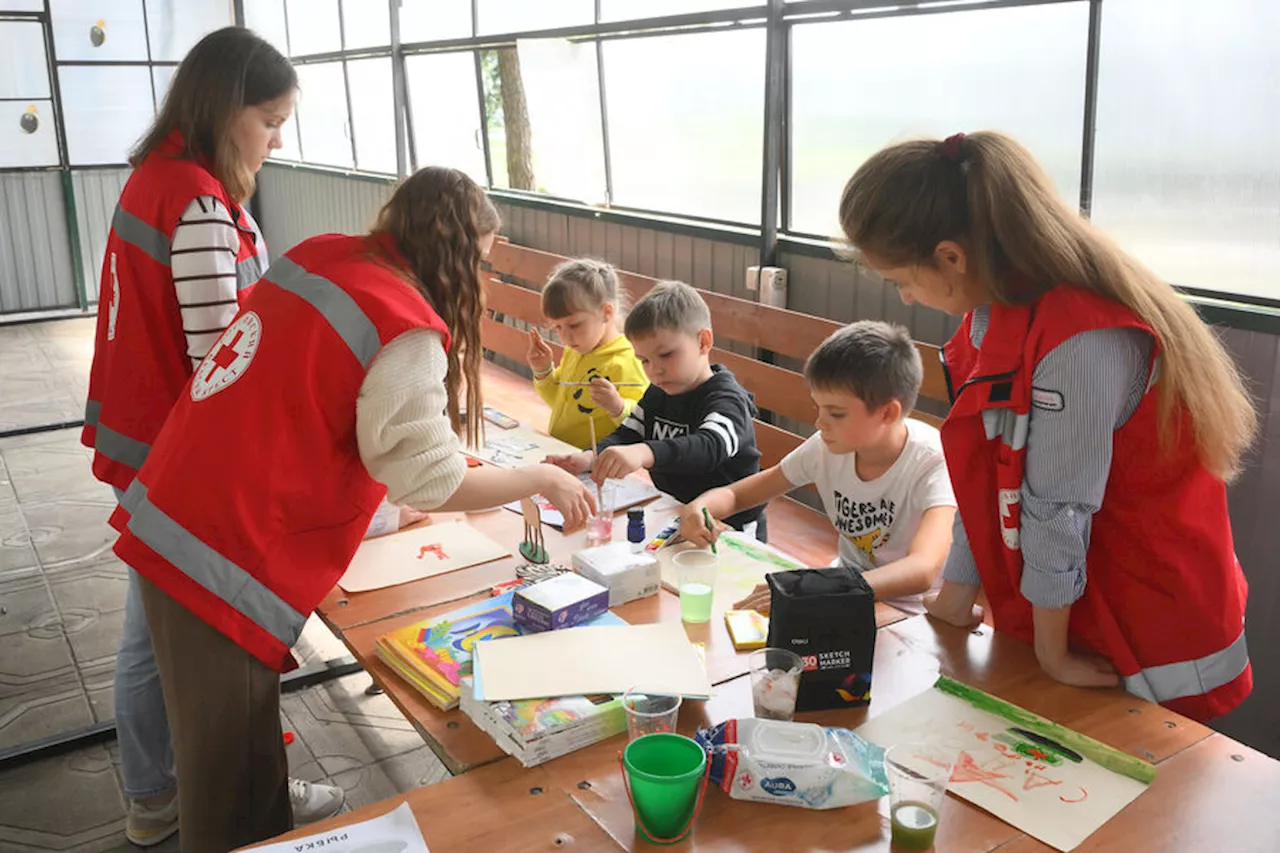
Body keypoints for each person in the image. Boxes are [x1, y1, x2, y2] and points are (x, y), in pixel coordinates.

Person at [108, 167, 595, 853]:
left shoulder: (323, 254)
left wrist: (491, 468)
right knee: (233, 784)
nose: (480, 281)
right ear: (458, 252)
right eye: (481, 263)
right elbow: (428, 480)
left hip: (176, 509)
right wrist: (536, 476)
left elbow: (344, 409)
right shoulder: (404, 322)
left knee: (228, 754)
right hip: (220, 555)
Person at [837, 130, 1255, 722]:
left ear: (952, 257)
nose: (904, 297)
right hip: (1072, 600)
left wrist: (1052, 652)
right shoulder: (989, 315)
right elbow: (991, 479)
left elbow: (1057, 506)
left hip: (1145, 619)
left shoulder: (1080, 339)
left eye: (900, 280)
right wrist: (955, 595)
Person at [77, 26, 347, 846]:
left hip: (146, 434)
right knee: (168, 629)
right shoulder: (195, 200)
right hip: (176, 450)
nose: (275, 141)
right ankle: (169, 794)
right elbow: (220, 360)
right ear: (226, 109)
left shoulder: (157, 175)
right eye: (269, 122)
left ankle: (160, 790)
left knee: (151, 623)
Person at [680, 321, 955, 615]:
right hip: (841, 589)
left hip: (912, 613)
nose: (820, 423)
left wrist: (817, 588)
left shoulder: (932, 463)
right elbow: (740, 495)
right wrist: (700, 508)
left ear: (887, 412)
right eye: (818, 408)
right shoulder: (827, 446)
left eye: (836, 413)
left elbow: (923, 568)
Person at [550, 280, 766, 538]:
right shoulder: (658, 391)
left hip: (728, 528)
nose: (654, 370)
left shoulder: (727, 399)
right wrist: (590, 458)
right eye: (644, 360)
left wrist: (645, 452)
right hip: (675, 513)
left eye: (666, 355)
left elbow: (710, 446)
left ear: (703, 342)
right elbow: (627, 434)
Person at [526, 258, 647, 448]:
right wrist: (543, 371)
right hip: (562, 450)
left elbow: (644, 422)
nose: (565, 337)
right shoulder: (575, 351)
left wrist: (618, 407)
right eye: (557, 327)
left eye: (574, 325)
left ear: (607, 312)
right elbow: (558, 402)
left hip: (598, 463)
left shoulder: (628, 360)